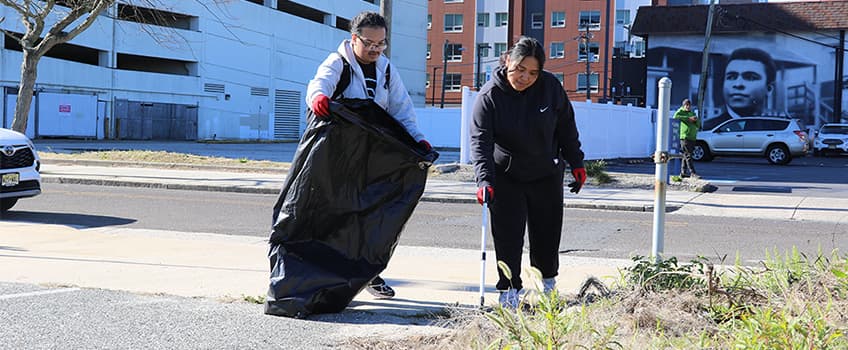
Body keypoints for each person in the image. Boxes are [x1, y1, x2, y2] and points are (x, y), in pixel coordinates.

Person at [305, 11, 431, 300]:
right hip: (335, 158)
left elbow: (401, 110)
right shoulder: (339, 63)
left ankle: (369, 274)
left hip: (371, 158)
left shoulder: (386, 70)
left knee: (370, 218)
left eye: (381, 43)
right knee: (335, 217)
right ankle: (323, 276)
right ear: (354, 38)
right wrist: (319, 99)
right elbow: (318, 84)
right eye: (369, 43)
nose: (375, 49)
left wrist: (418, 140)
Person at [470, 36, 586, 308]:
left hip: (546, 172)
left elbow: (566, 127)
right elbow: (480, 142)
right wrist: (484, 180)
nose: (525, 77)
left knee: (547, 232)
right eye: (520, 69)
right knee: (508, 235)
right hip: (506, 175)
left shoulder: (550, 88)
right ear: (508, 60)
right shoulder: (490, 96)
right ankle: (509, 290)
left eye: (533, 72)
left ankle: (546, 286)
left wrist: (577, 162)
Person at [702, 47, 777, 131]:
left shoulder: (778, 129)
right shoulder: (708, 129)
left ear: (769, 89)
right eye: (731, 77)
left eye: (750, 78)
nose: (737, 84)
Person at [673, 98, 700, 179]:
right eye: (686, 105)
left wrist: (695, 120)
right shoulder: (681, 112)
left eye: (689, 105)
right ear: (683, 105)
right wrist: (688, 119)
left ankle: (683, 172)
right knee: (688, 155)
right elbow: (675, 116)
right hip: (685, 137)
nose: (688, 107)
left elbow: (698, 124)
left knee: (686, 155)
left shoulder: (692, 113)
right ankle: (693, 173)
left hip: (692, 137)